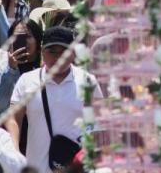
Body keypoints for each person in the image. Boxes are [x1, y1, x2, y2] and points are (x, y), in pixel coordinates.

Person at [7, 25, 102, 173]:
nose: (57, 57)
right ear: (42, 51)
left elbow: (98, 121)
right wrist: (14, 149)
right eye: (51, 51)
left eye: (63, 52)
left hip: (75, 168)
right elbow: (13, 118)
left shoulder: (87, 81)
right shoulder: (27, 80)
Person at [0, 18, 42, 113]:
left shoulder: (44, 64)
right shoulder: (2, 64)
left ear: (37, 40)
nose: (23, 41)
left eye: (28, 36)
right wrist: (11, 69)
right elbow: (0, 103)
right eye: (17, 37)